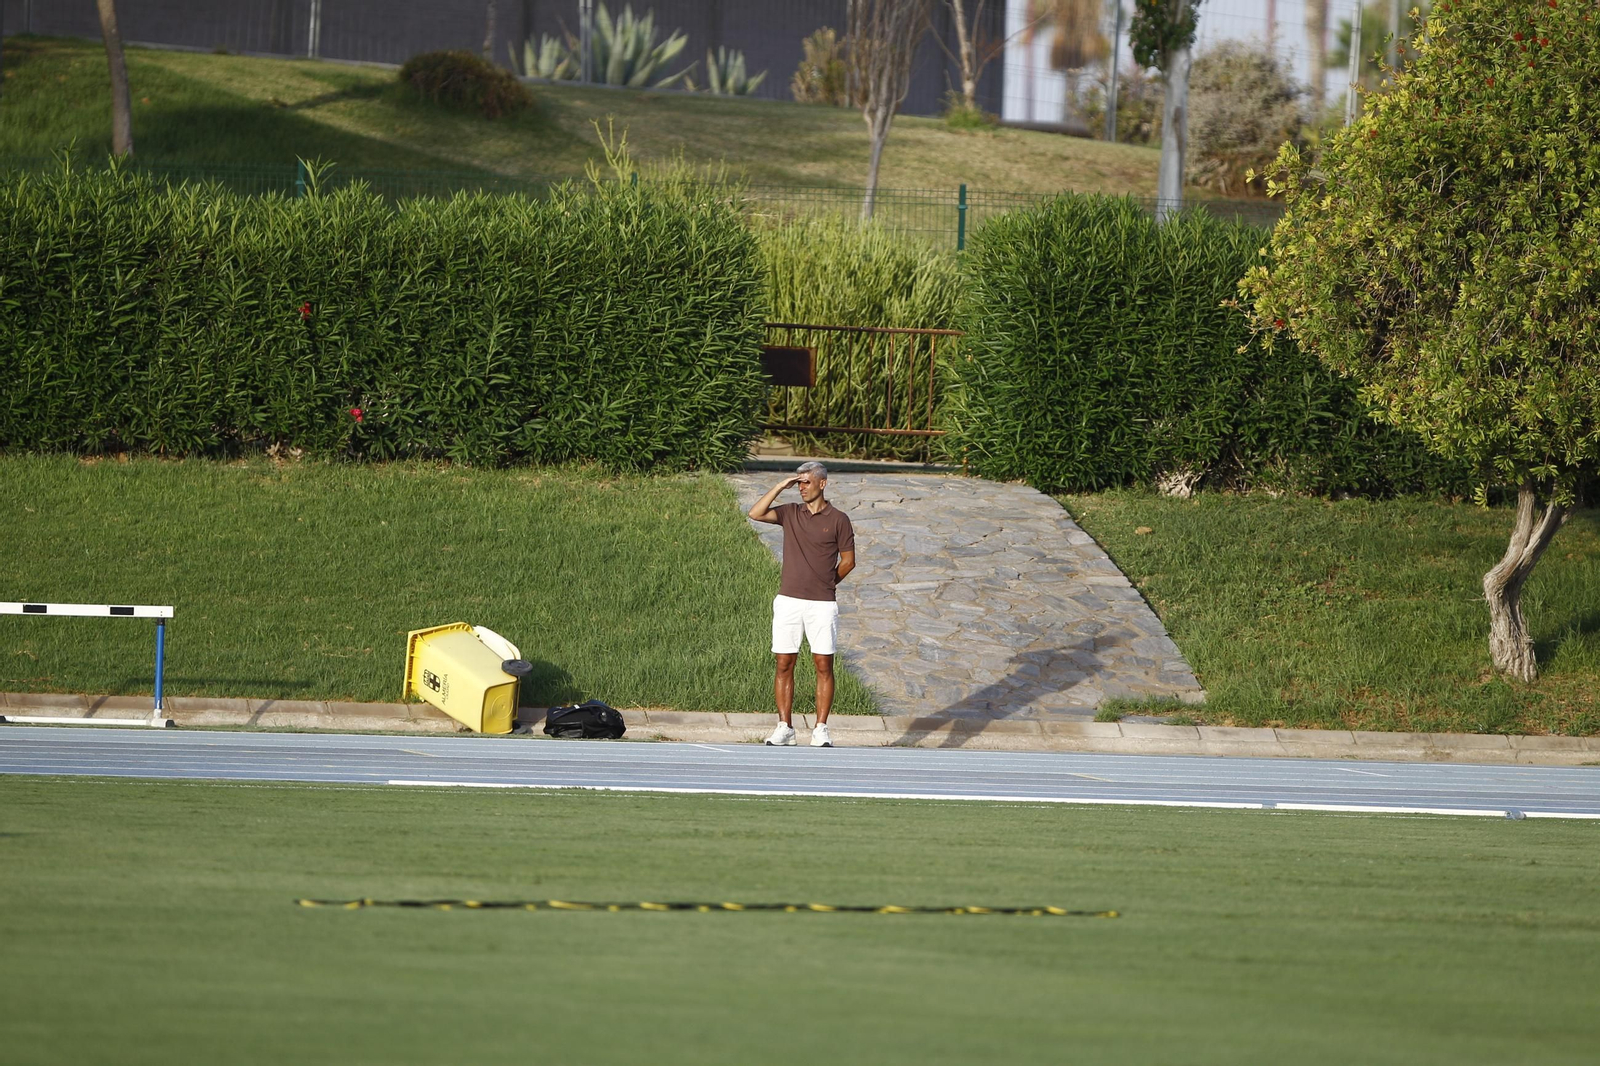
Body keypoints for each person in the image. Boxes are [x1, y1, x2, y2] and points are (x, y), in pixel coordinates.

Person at [746, 461, 856, 747]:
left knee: (823, 664)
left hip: (822, 604)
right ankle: (785, 726)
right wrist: (781, 486)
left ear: (822, 483)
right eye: (799, 483)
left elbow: (848, 561)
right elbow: (755, 513)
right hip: (788, 600)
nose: (801, 488)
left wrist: (827, 583)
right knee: (784, 663)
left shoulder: (839, 519)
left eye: (806, 482)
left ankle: (821, 728)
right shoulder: (790, 512)